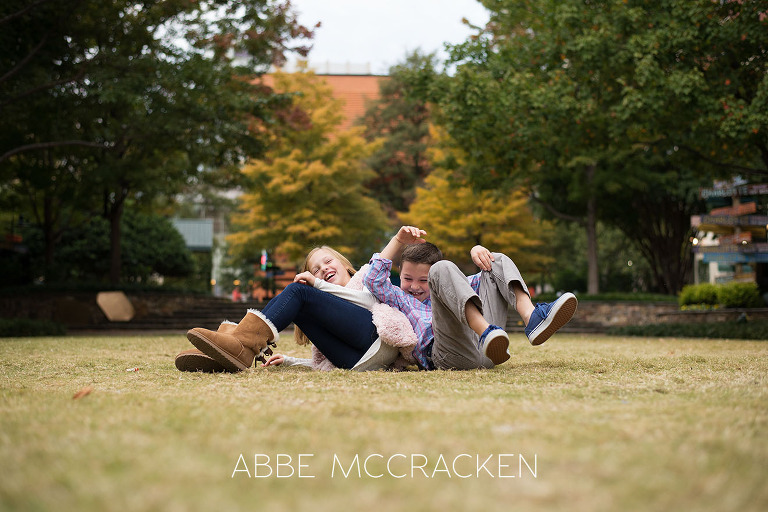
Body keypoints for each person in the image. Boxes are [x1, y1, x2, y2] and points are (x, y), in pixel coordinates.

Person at [363, 226, 578, 371]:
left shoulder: (452, 286)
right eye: (408, 278)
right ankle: (485, 331)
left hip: (488, 353)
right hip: (448, 354)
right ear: (399, 274)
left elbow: (488, 275)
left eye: (424, 280)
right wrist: (398, 240)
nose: (415, 286)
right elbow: (372, 279)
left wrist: (478, 250)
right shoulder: (399, 298)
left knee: (496, 260)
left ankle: (532, 317)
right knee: (443, 268)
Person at [179, 246, 416, 373]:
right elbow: (323, 361)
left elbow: (368, 304)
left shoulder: (367, 277)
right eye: (315, 270)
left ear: (344, 264)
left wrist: (317, 285)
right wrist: (290, 361)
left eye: (328, 262)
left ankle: (240, 345)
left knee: (298, 291)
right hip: (353, 362)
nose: (323, 269)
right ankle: (230, 352)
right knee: (300, 302)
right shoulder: (323, 308)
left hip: (377, 343)